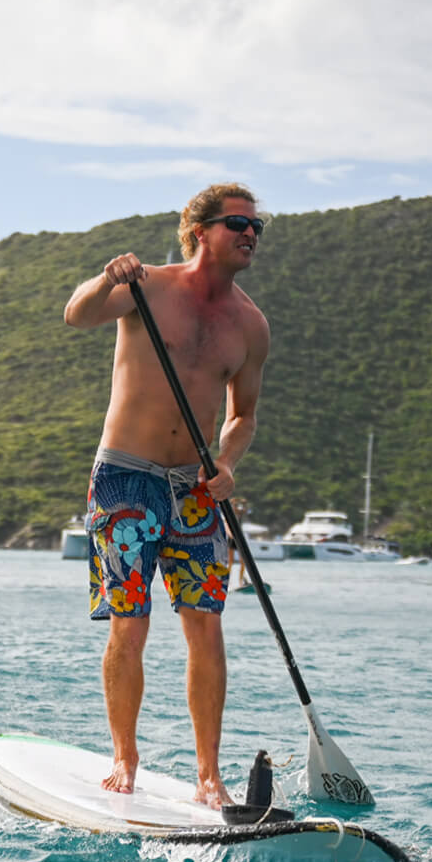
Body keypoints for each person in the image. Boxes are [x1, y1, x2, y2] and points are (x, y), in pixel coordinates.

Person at [62, 183, 272, 808]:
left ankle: (209, 774)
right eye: (239, 223)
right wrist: (106, 280)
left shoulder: (251, 326)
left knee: (205, 625)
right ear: (201, 230)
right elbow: (77, 313)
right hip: (127, 475)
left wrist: (227, 462)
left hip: (195, 491)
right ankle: (125, 757)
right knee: (131, 621)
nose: (251, 234)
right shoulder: (146, 285)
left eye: (259, 227)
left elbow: (243, 416)